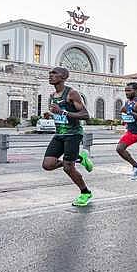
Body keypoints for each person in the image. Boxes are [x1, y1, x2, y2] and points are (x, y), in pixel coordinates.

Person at [42, 67, 95, 207]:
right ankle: (79, 158)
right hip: (59, 134)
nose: (50, 75)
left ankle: (85, 193)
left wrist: (63, 112)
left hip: (73, 134)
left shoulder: (71, 93)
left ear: (64, 77)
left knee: (68, 167)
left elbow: (85, 115)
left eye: (54, 73)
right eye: (50, 73)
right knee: (47, 165)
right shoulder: (53, 95)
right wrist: (51, 115)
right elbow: (59, 113)